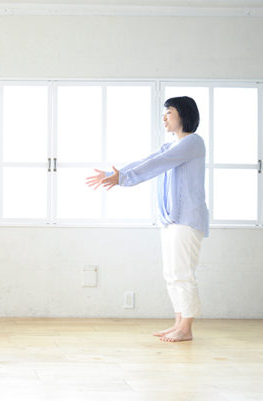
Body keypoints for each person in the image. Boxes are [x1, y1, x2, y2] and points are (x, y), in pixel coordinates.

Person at [86, 96, 209, 342]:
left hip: (187, 219)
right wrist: (114, 174)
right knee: (171, 274)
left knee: (183, 274)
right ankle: (178, 324)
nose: (164, 118)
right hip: (172, 220)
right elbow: (146, 161)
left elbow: (158, 164)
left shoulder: (193, 142)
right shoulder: (170, 146)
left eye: (169, 112)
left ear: (184, 114)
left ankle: (186, 328)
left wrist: (123, 178)